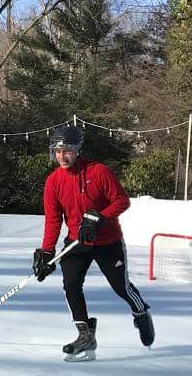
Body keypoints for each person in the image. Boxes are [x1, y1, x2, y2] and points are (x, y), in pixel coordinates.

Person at [32, 125, 153, 362]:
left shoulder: (98, 172)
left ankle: (141, 312)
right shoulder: (53, 181)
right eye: (57, 151)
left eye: (66, 150)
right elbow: (53, 220)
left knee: (121, 287)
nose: (62, 156)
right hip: (77, 242)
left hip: (108, 241)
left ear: (77, 150)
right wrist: (47, 252)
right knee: (71, 284)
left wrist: (99, 216)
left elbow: (122, 201)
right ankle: (85, 335)